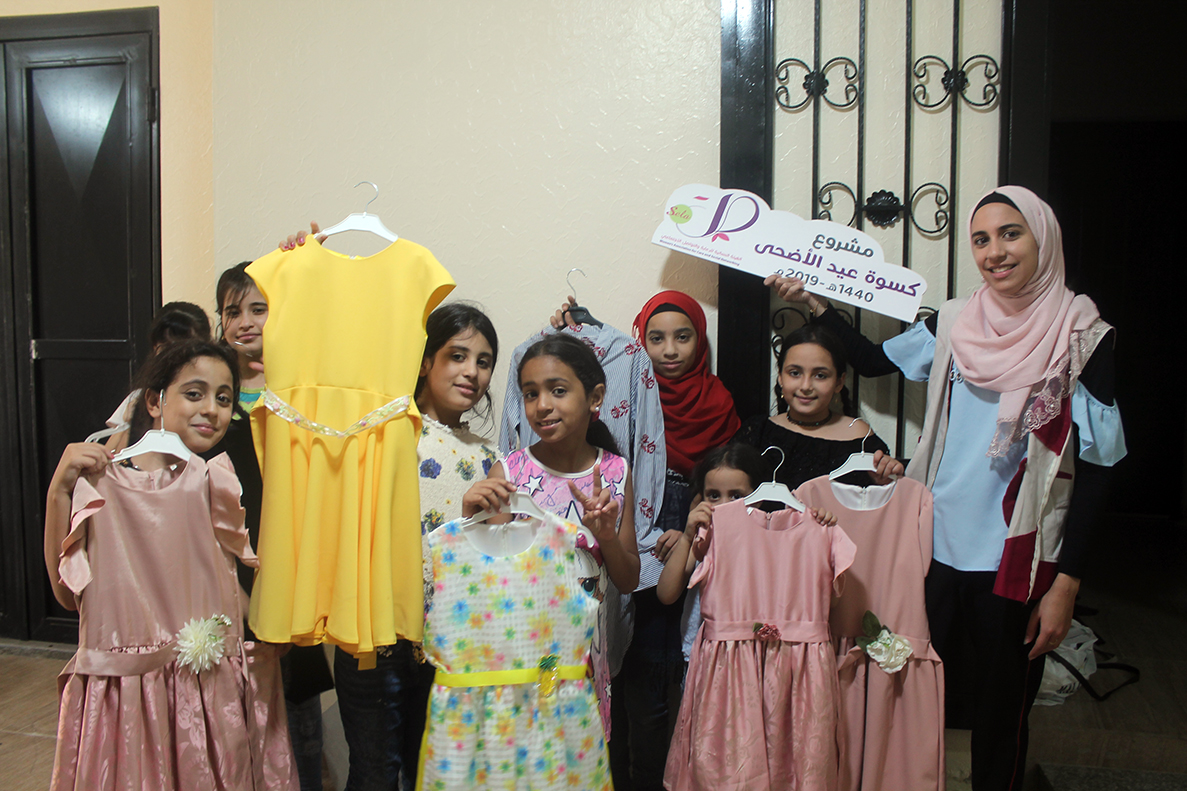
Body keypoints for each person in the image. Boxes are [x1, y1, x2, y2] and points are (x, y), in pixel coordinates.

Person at [767, 185, 1126, 790]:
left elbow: (1100, 466)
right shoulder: (958, 321)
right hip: (932, 546)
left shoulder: (1084, 336)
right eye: (980, 239)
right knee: (904, 687)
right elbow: (874, 361)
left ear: (1044, 239)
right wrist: (815, 304)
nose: (994, 252)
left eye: (1010, 234)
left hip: (1017, 558)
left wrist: (1067, 583)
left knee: (1001, 710)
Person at [45, 341, 298, 790]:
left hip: (205, 696)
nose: (212, 409)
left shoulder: (215, 481)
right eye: (194, 393)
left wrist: (267, 625)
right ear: (154, 401)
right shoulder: (95, 484)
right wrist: (58, 494)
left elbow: (222, 581)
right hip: (127, 703)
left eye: (224, 398)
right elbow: (68, 596)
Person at [549, 290, 740, 791]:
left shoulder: (718, 403)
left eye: (683, 337)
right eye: (656, 338)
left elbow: (728, 481)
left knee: (674, 666)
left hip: (688, 532)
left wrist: (695, 520)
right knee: (620, 663)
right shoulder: (625, 386)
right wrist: (572, 330)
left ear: (701, 340)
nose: (670, 350)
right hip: (623, 521)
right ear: (640, 341)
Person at [334, 302, 501, 791]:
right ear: (426, 361)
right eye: (457, 356)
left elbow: (493, 560)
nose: (472, 372)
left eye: (484, 362)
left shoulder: (490, 457)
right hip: (378, 636)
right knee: (374, 775)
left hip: (450, 641)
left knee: (436, 776)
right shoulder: (385, 432)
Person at [463, 332, 641, 739]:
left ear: (595, 397)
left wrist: (605, 537)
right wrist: (470, 520)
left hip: (585, 661)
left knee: (578, 759)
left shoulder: (615, 472)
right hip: (519, 657)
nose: (542, 405)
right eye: (530, 394)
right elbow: (484, 580)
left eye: (557, 390)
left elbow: (628, 579)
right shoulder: (509, 472)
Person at [213, 262, 333, 791]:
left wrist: (307, 264)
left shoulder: (296, 385)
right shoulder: (214, 393)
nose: (245, 322)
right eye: (232, 311)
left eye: (258, 308)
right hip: (228, 562)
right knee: (233, 705)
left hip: (290, 559)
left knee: (297, 706)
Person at [732, 323, 903, 488]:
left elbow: (884, 499)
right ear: (780, 377)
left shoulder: (860, 437)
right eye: (795, 373)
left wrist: (886, 479)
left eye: (820, 375)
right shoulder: (757, 432)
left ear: (839, 382)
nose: (806, 386)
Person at [102, 301, 212, 449]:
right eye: (167, 347)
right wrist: (132, 422)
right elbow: (112, 456)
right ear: (155, 349)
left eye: (187, 347)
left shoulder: (212, 402)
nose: (175, 356)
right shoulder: (138, 398)